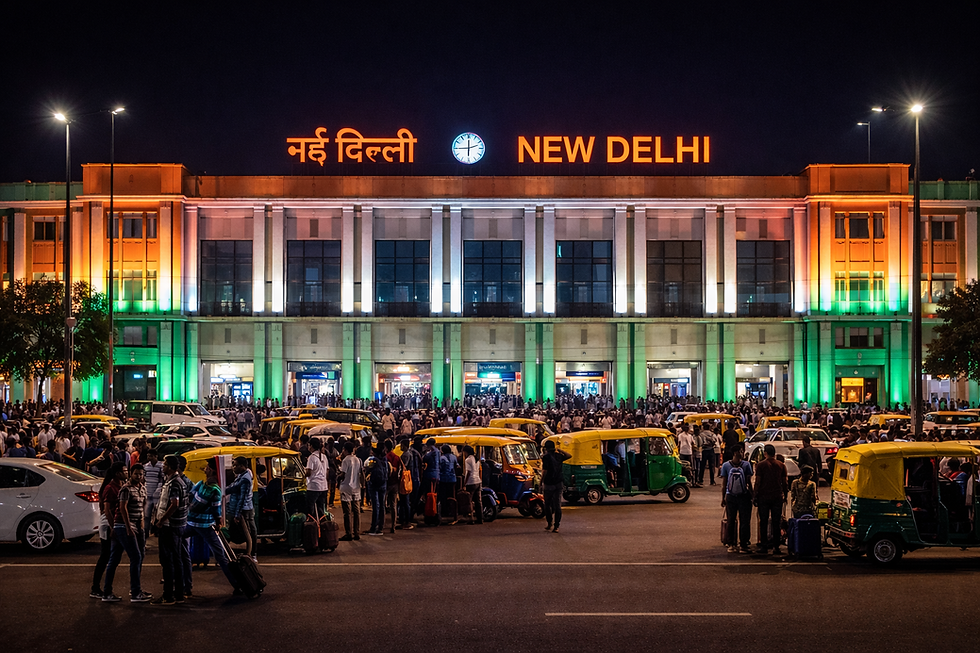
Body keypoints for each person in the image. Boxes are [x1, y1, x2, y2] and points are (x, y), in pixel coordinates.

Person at [187, 460, 241, 595]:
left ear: (211, 470)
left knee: (221, 555)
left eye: (206, 468)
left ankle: (237, 583)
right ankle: (236, 584)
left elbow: (194, 502)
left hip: (201, 524)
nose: (204, 470)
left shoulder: (209, 488)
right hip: (201, 524)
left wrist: (217, 523)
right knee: (220, 555)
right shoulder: (208, 487)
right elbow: (215, 511)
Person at [102, 464, 150, 603]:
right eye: (136, 474)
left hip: (137, 525)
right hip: (124, 525)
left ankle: (108, 592)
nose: (139, 477)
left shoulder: (142, 488)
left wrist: (142, 525)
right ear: (131, 474)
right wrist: (128, 527)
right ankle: (135, 592)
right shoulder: (126, 489)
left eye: (141, 474)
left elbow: (143, 505)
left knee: (117, 558)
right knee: (135, 557)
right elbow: (122, 508)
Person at [151, 455, 187, 605]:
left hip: (170, 527)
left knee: (168, 560)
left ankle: (168, 595)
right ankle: (179, 594)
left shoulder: (174, 483)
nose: (162, 466)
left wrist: (162, 520)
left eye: (165, 464)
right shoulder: (176, 481)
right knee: (176, 559)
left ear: (171, 467)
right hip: (176, 526)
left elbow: (174, 504)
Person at [90, 462, 125, 599]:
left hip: (110, 523)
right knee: (105, 557)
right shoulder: (111, 488)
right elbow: (107, 510)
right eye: (124, 470)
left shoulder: (119, 486)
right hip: (108, 524)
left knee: (107, 557)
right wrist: (113, 527)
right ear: (117, 473)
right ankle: (96, 588)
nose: (126, 473)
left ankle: (97, 587)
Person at [753, 444, 788, 555]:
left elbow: (758, 482)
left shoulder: (761, 465)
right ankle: (776, 547)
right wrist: (785, 495)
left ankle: (764, 546)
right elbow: (785, 482)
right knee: (776, 522)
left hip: (764, 496)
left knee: (763, 522)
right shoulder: (781, 465)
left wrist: (755, 496)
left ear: (765, 453)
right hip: (777, 496)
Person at [720, 446, 753, 554]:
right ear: (735, 452)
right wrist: (752, 495)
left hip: (731, 496)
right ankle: (743, 544)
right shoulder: (746, 465)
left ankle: (731, 544)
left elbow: (724, 484)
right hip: (744, 496)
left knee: (731, 520)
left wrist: (723, 497)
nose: (742, 453)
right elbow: (749, 482)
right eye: (741, 451)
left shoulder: (726, 465)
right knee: (744, 521)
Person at [227, 456, 256, 561]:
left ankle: (251, 554)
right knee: (248, 531)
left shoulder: (245, 479)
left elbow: (242, 498)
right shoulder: (241, 476)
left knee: (248, 532)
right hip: (243, 508)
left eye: (235, 465)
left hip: (244, 509)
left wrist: (237, 514)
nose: (233, 467)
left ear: (242, 466)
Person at [541, 439, 571, 533]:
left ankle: (550, 522)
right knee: (557, 505)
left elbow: (544, 471)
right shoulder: (559, 456)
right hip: (559, 483)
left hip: (549, 483)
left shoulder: (545, 457)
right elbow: (569, 455)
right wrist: (560, 450)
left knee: (547, 504)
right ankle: (556, 526)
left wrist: (541, 482)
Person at [338, 440, 362, 541]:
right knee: (356, 511)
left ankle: (348, 533)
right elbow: (361, 473)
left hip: (346, 487)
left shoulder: (345, 460)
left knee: (347, 512)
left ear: (345, 450)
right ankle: (356, 532)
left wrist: (338, 477)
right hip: (356, 487)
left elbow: (343, 474)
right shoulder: (358, 460)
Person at [364, 443, 388, 535]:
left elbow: (367, 469)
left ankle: (374, 527)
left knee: (376, 506)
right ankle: (381, 527)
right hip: (383, 484)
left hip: (374, 485)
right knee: (382, 506)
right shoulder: (385, 459)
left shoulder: (373, 460)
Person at [305, 438, 328, 518]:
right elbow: (326, 471)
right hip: (324, 486)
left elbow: (308, 472)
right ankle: (321, 525)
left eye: (309, 445)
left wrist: (303, 474)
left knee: (310, 508)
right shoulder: (324, 457)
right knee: (320, 508)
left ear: (311, 446)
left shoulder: (311, 457)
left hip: (313, 487)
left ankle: (312, 525)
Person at [461, 444, 483, 525]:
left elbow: (468, 472)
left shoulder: (468, 460)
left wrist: (464, 483)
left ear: (466, 452)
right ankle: (480, 518)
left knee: (469, 501)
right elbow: (480, 470)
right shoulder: (477, 459)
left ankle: (471, 519)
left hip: (471, 482)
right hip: (478, 481)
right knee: (478, 501)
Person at [143, 449, 163, 532]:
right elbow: (144, 479)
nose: (149, 458)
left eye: (151, 456)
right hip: (147, 493)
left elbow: (162, 479)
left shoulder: (161, 466)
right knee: (146, 515)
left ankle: (156, 530)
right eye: (148, 456)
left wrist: (158, 490)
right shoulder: (146, 466)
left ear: (156, 456)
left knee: (157, 514)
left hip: (157, 494)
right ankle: (146, 531)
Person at [438, 444, 458, 524]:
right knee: (451, 495)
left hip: (443, 479)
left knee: (443, 496)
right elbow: (457, 466)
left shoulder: (442, 458)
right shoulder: (454, 457)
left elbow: (440, 468)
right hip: (453, 479)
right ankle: (451, 511)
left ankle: (444, 511)